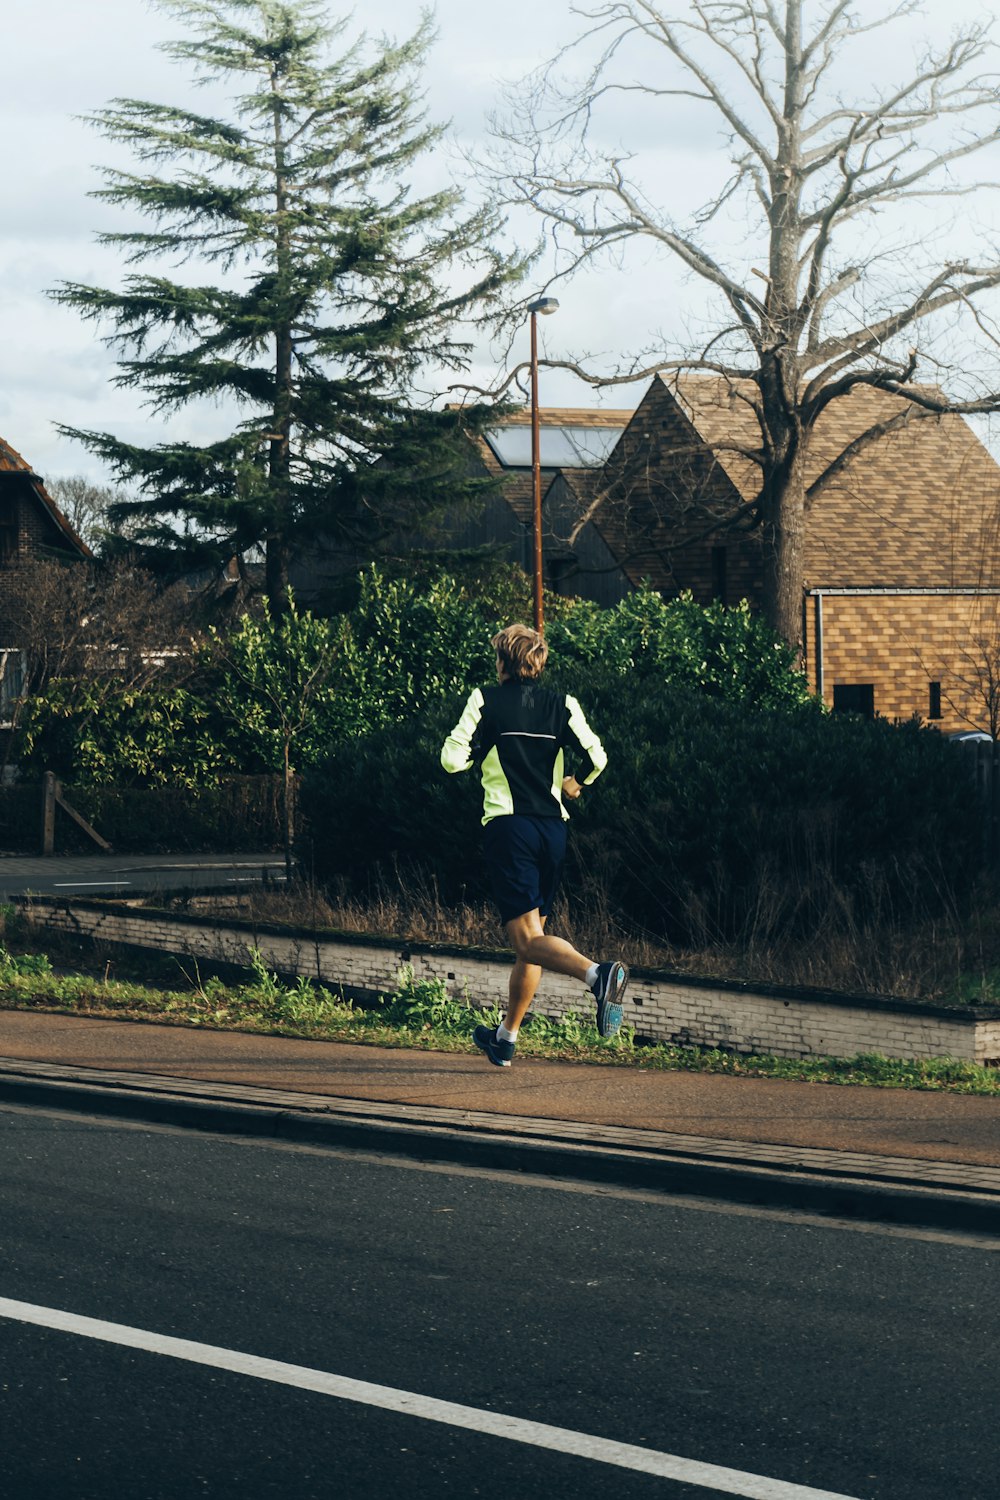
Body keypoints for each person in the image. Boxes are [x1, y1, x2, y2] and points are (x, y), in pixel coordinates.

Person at [441, 622, 629, 1067]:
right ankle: (505, 1039)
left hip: (511, 829)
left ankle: (597, 976)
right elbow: (599, 758)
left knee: (526, 941)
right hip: (553, 832)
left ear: (504, 661)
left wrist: (475, 754)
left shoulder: (484, 699)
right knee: (534, 939)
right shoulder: (562, 704)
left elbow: (450, 760)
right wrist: (575, 782)